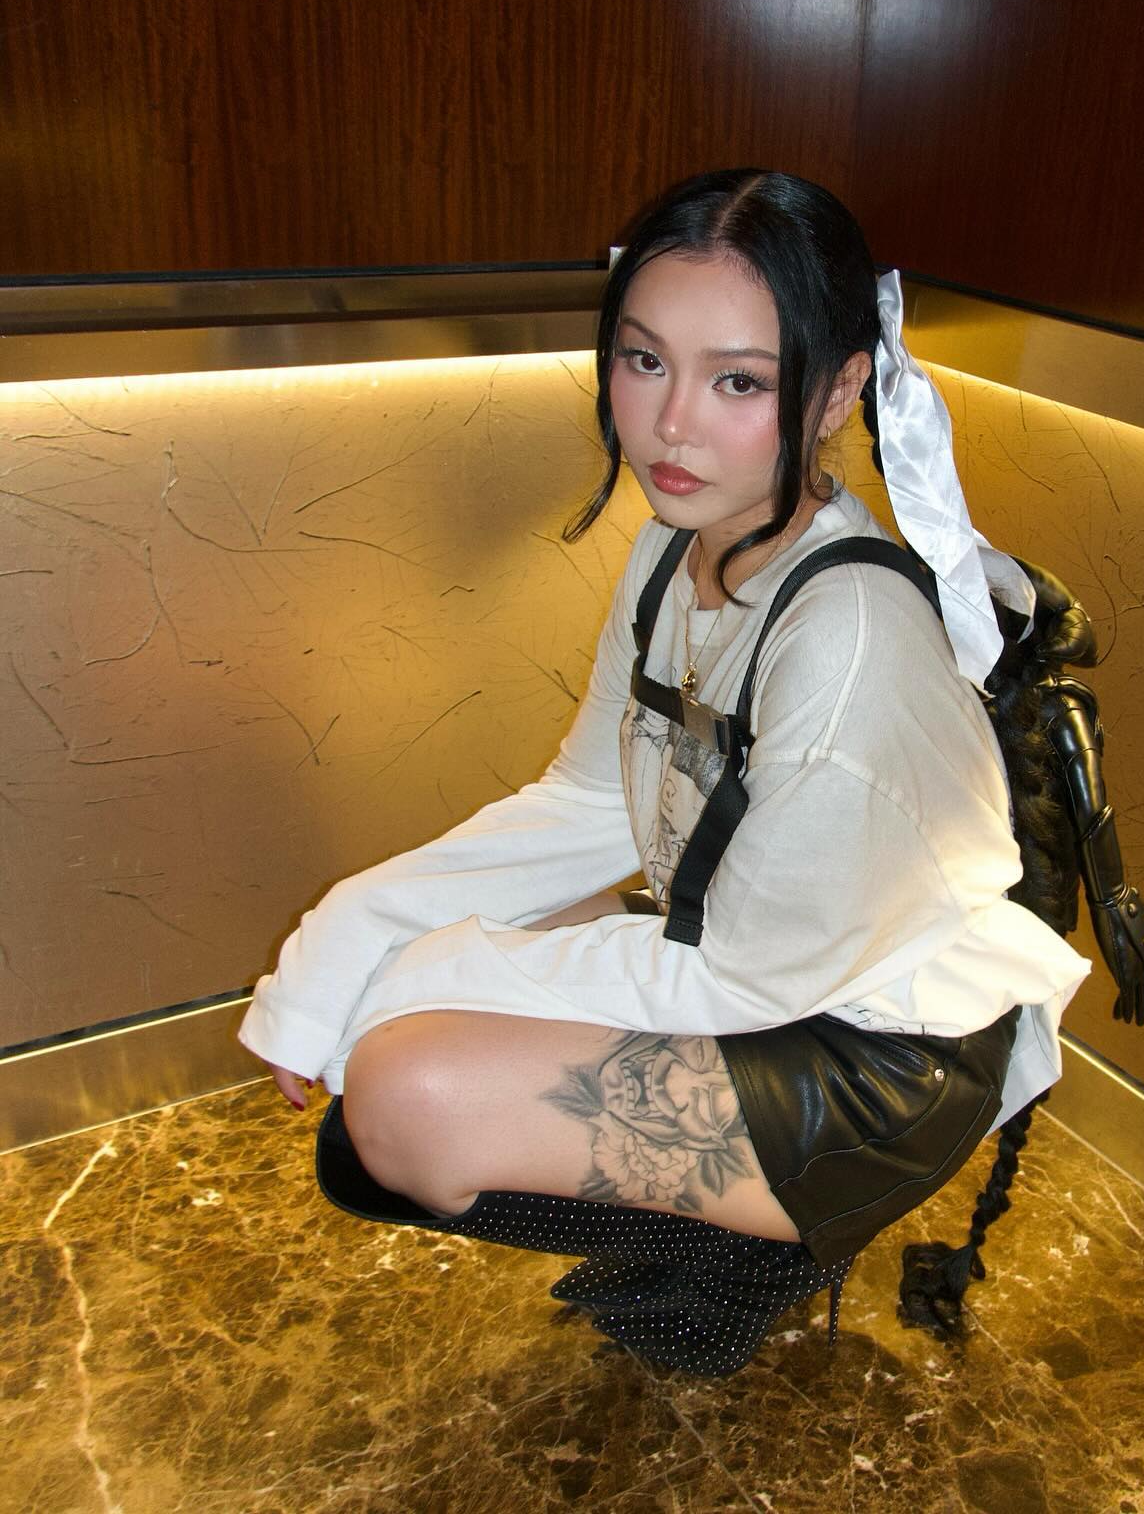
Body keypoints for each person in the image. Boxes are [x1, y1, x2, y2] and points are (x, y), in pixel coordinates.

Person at [238, 168, 1093, 1376]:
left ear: (839, 388)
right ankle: (718, 1239)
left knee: (401, 1100)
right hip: (767, 965)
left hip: (880, 1051)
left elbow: (743, 974)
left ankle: (759, 1256)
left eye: (738, 381)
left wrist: (409, 983)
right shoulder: (671, 550)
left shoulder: (845, 631)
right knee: (409, 1031)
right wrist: (349, 939)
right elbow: (588, 804)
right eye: (644, 361)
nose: (671, 424)